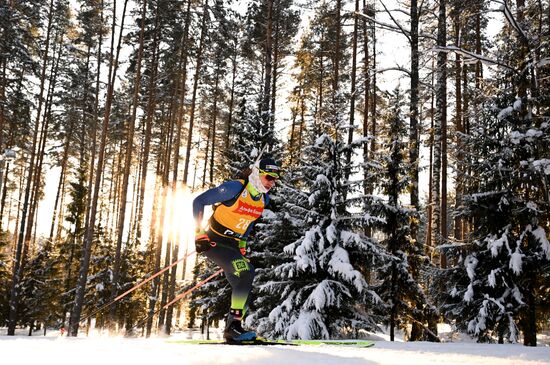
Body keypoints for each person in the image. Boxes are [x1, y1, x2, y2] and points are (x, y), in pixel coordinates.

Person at [192, 157, 281, 343]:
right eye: (269, 177)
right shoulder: (235, 188)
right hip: (214, 241)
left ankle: (234, 329)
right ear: (257, 174)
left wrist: (242, 246)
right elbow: (199, 201)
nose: (272, 183)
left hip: (232, 246)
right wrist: (199, 233)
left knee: (243, 285)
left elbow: (248, 224)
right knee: (246, 272)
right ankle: (233, 328)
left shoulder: (264, 199)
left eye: (275, 179)